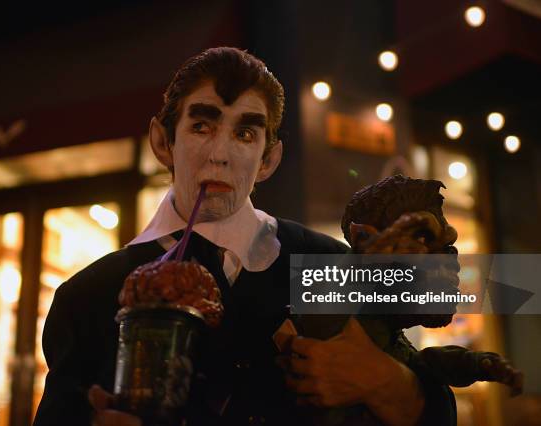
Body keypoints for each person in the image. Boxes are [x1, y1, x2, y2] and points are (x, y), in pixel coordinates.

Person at [33, 47, 456, 426]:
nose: (221, 154)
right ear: (163, 142)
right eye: (201, 126)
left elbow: (438, 410)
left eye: (245, 134)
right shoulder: (87, 298)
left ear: (269, 159)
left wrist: (384, 381)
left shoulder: (328, 267)